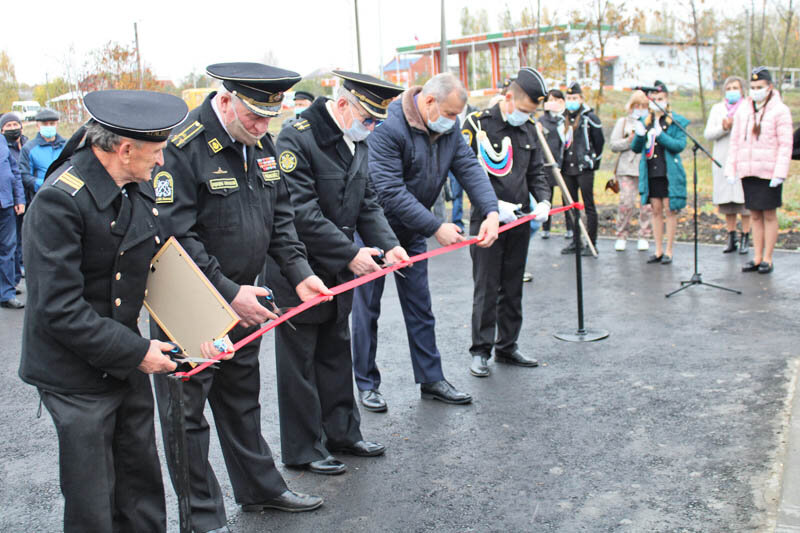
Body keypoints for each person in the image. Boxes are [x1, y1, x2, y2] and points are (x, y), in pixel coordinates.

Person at [151, 63, 331, 533]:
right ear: (226, 99)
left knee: (241, 400)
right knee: (186, 415)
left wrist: (300, 271)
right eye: (253, 115)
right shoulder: (183, 147)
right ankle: (203, 517)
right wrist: (228, 294)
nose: (261, 126)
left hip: (244, 298)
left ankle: (260, 489)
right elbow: (175, 237)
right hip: (189, 302)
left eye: (269, 117)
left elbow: (281, 218)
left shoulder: (261, 143)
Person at [18, 90, 190, 532]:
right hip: (74, 373)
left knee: (140, 485)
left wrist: (206, 328)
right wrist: (136, 353)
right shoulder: (59, 201)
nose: (163, 162)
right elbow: (58, 310)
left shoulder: (134, 186)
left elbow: (158, 263)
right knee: (93, 501)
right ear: (124, 148)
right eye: (156, 152)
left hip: (124, 360)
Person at [263, 72, 408, 476]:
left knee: (334, 351)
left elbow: (368, 201)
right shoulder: (298, 138)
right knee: (300, 363)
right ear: (343, 105)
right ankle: (304, 448)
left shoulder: (357, 139)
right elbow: (300, 212)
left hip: (339, 267)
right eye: (368, 118)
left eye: (377, 121)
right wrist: (351, 254)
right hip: (298, 266)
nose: (373, 127)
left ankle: (343, 432)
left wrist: (390, 242)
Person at [351, 73, 499, 411]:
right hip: (374, 233)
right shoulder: (389, 126)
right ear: (429, 101)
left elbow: (470, 168)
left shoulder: (448, 128)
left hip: (412, 232)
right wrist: (436, 226)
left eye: (455, 115)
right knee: (366, 309)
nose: (452, 121)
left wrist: (490, 211)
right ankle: (366, 383)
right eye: (448, 114)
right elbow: (388, 191)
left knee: (420, 306)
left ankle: (431, 378)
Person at [460, 67, 551, 378]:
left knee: (513, 285)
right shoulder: (478, 125)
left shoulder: (528, 128)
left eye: (531, 113)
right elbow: (467, 172)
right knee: (486, 286)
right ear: (509, 98)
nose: (525, 117)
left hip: (520, 221)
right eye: (523, 110)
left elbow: (537, 172)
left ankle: (508, 345)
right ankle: (480, 351)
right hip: (488, 221)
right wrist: (493, 206)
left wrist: (543, 201)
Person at [725, 67, 793, 274]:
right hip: (749, 169)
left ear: (769, 87)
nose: (756, 91)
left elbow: (785, 144)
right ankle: (756, 256)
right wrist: (731, 167)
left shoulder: (780, 110)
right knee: (754, 214)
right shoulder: (744, 109)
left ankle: (768, 258)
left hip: (769, 171)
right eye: (753, 87)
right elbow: (735, 141)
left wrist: (780, 172)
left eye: (760, 87)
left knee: (769, 215)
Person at [631, 81, 688, 265]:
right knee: (655, 211)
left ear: (667, 99)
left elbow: (679, 145)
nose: (657, 102)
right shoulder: (645, 121)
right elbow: (636, 148)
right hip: (652, 171)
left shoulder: (675, 121)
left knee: (670, 210)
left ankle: (669, 251)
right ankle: (657, 249)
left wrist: (661, 135)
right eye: (654, 99)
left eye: (660, 99)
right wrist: (640, 135)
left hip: (668, 172)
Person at [704, 76, 751, 254]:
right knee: (728, 203)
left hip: (742, 159)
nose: (732, 90)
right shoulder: (717, 109)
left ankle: (746, 236)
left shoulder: (748, 107)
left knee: (744, 202)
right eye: (729, 87)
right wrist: (723, 128)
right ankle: (731, 237)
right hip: (723, 159)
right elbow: (708, 134)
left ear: (742, 90)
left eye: (735, 87)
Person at [560, 82, 604, 255]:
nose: (571, 101)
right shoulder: (563, 118)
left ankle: (591, 242)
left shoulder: (590, 118)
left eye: (574, 98)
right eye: (569, 98)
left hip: (584, 168)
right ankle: (575, 240)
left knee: (588, 205)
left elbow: (599, 142)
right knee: (570, 206)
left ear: (581, 99)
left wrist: (593, 162)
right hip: (567, 168)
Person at [609, 90, 652, 252]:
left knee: (646, 205)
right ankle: (621, 234)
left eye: (643, 106)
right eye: (637, 105)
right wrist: (629, 140)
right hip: (626, 168)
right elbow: (613, 145)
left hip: (645, 168)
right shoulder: (623, 122)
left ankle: (644, 235)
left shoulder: (649, 122)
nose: (640, 108)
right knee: (626, 203)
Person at [539, 89, 573, 240]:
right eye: (549, 100)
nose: (551, 103)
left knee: (566, 196)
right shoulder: (542, 121)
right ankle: (546, 227)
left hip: (564, 163)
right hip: (547, 163)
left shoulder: (566, 119)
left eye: (555, 99)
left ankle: (570, 227)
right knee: (547, 196)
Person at [1, 112, 27, 288]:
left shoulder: (2, 144)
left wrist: (19, 199)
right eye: (7, 125)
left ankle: (7, 291)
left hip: (6, 203)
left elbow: (15, 172)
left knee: (8, 247)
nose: (12, 129)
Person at [19, 108, 65, 197]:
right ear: (37, 126)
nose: (49, 126)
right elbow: (25, 176)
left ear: (57, 125)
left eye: (52, 124)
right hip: (41, 196)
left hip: (65, 194)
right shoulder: (29, 148)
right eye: (44, 124)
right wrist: (46, 184)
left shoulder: (67, 146)